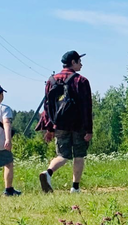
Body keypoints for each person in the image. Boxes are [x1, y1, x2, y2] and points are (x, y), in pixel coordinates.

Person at [37, 50, 94, 193]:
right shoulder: (81, 81)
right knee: (79, 155)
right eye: (79, 61)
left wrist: (49, 128)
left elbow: (48, 106)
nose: (81, 64)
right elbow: (86, 106)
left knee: (62, 155)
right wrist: (89, 130)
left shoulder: (52, 81)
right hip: (78, 124)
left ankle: (48, 173)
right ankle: (75, 188)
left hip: (59, 124)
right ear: (73, 63)